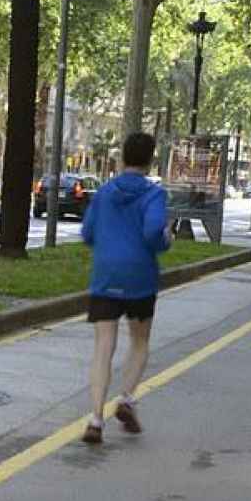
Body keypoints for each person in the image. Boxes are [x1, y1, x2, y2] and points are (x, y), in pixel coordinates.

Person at [81, 132, 172, 445]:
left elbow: (87, 233)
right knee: (139, 341)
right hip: (140, 277)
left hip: (106, 275)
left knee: (103, 347)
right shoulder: (155, 195)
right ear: (150, 160)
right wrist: (166, 240)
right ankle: (126, 399)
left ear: (122, 158)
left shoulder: (104, 193)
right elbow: (152, 232)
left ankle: (95, 419)